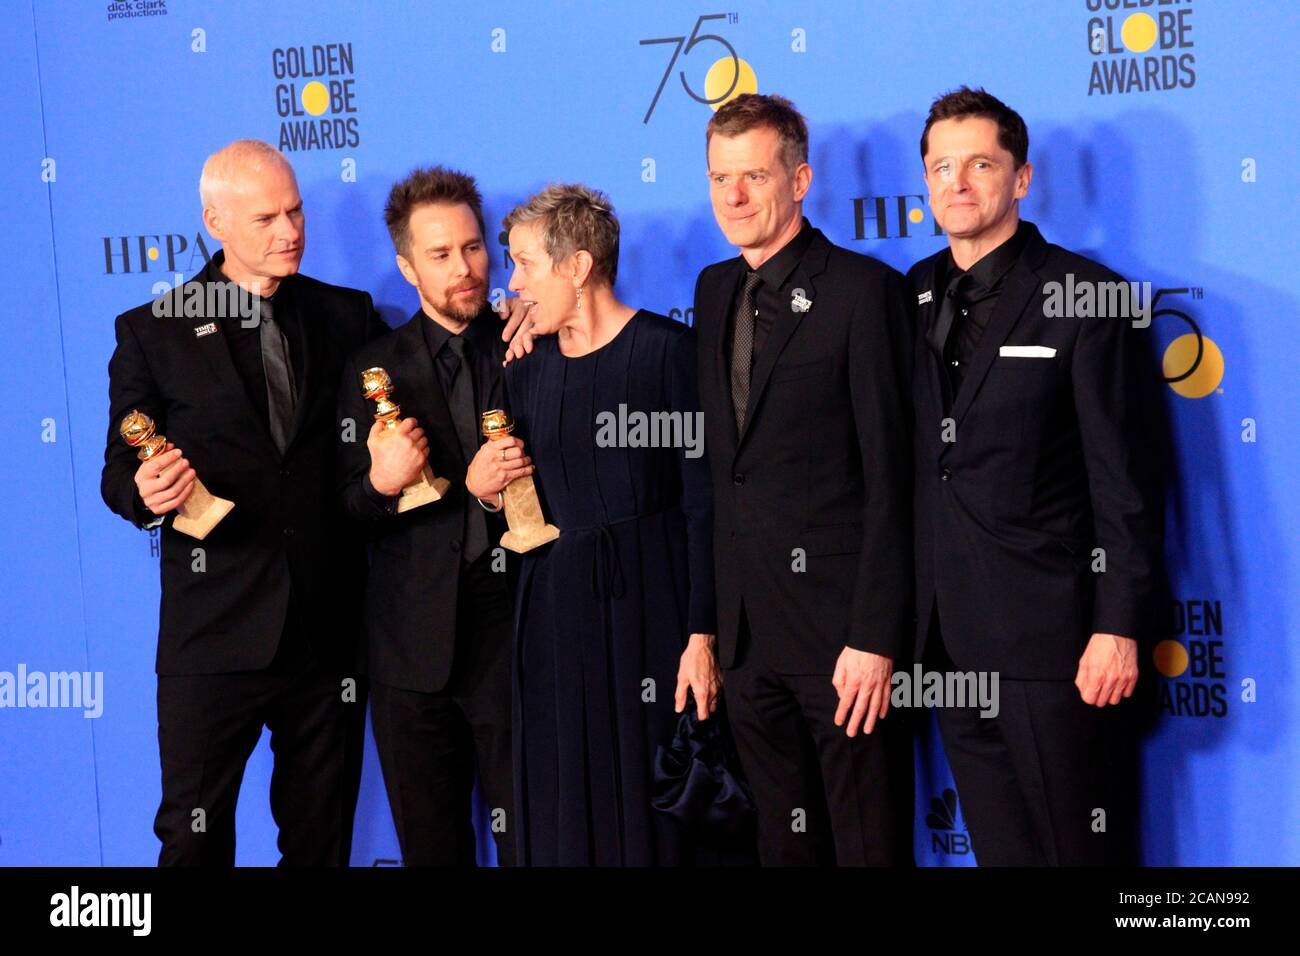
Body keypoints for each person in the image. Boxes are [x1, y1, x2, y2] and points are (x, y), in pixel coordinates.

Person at [101, 139, 385, 865]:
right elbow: (117, 472)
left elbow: (421, 378)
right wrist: (144, 492)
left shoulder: (346, 316)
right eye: (266, 218)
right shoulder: (152, 331)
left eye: (295, 211)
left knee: (320, 843)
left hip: (327, 633)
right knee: (193, 844)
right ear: (214, 222)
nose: (290, 231)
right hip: (213, 631)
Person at [908, 87, 1161, 865]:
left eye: (979, 163)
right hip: (946, 644)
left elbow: (1124, 482)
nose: (957, 183)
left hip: (1053, 641)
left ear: (1020, 178)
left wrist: (1117, 625)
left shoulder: (1084, 296)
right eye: (941, 166)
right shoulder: (911, 294)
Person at [692, 94, 915, 866]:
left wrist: (875, 636)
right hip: (747, 641)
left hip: (842, 644)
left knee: (866, 846)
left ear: (801, 179)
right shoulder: (714, 289)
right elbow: (721, 476)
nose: (735, 195)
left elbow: (895, 478)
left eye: (754, 175)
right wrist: (706, 629)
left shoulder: (862, 292)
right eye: (721, 176)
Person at [478, 183, 720, 865]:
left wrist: (703, 634)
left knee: (655, 806)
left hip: (652, 610)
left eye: (525, 264)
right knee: (563, 799)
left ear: (577, 267)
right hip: (552, 617)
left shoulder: (670, 352)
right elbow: (517, 494)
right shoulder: (524, 370)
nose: (514, 282)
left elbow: (702, 504)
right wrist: (485, 491)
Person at [336, 166, 519, 866]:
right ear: (406, 266)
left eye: (473, 248)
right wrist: (382, 483)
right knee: (432, 850)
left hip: (515, 637)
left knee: (531, 837)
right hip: (410, 654)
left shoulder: (527, 344)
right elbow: (346, 508)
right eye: (440, 255)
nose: (465, 269)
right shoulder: (370, 371)